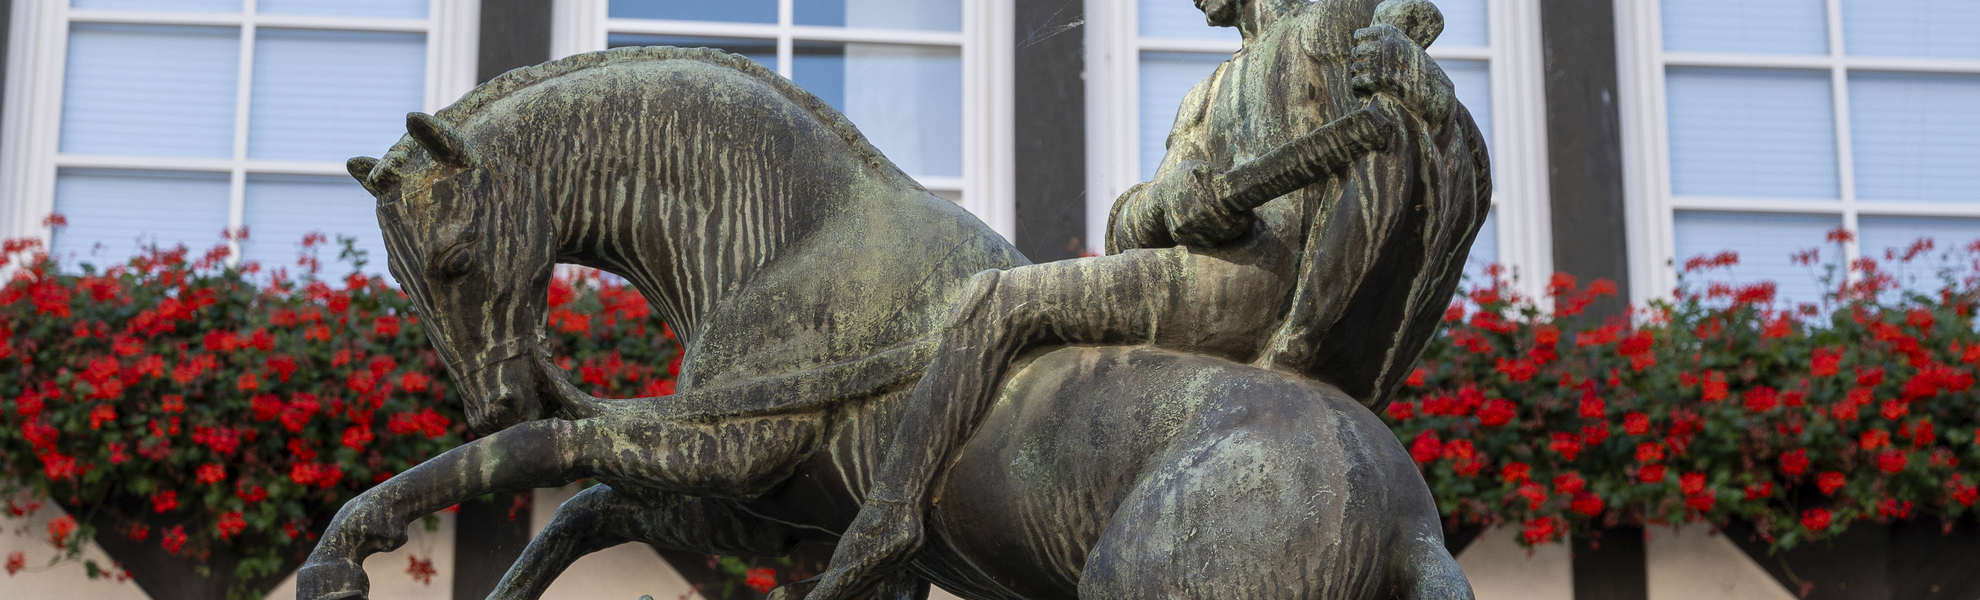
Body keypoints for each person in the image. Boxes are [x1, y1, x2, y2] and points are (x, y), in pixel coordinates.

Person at [797, 1, 1492, 598]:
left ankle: (887, 524)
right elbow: (1128, 226)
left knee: (996, 299)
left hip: (1253, 283)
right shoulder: (1210, 89)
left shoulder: (1326, 25)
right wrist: (1174, 198)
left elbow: (1410, 154)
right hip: (1202, 260)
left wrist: (1427, 99)